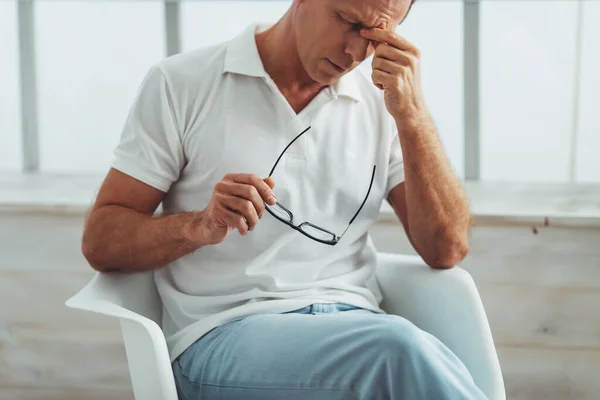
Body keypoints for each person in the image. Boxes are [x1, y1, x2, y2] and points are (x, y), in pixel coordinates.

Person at [82, 0, 484, 398]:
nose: (355, 53)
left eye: (376, 37)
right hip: (223, 335)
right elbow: (102, 241)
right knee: (399, 352)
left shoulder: (383, 100)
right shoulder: (182, 83)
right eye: (346, 21)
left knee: (396, 352)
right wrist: (199, 225)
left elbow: (446, 250)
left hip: (356, 326)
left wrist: (411, 114)